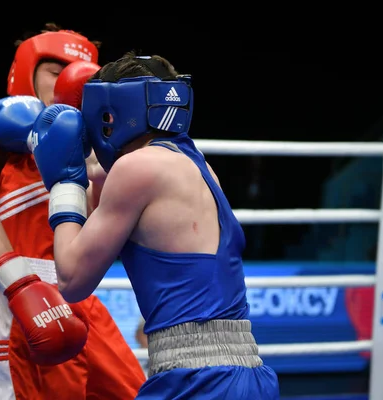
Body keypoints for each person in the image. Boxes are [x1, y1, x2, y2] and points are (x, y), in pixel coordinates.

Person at [30, 52, 281, 399]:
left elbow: (72, 279)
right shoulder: (200, 167)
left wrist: (65, 183)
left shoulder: (137, 169)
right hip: (247, 373)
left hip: (196, 380)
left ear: (111, 111)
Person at [0, 24, 146, 400]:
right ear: (26, 72)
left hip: (78, 293)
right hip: (14, 293)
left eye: (79, 75)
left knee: (136, 393)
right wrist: (21, 285)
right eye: (56, 73)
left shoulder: (97, 146)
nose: (67, 83)